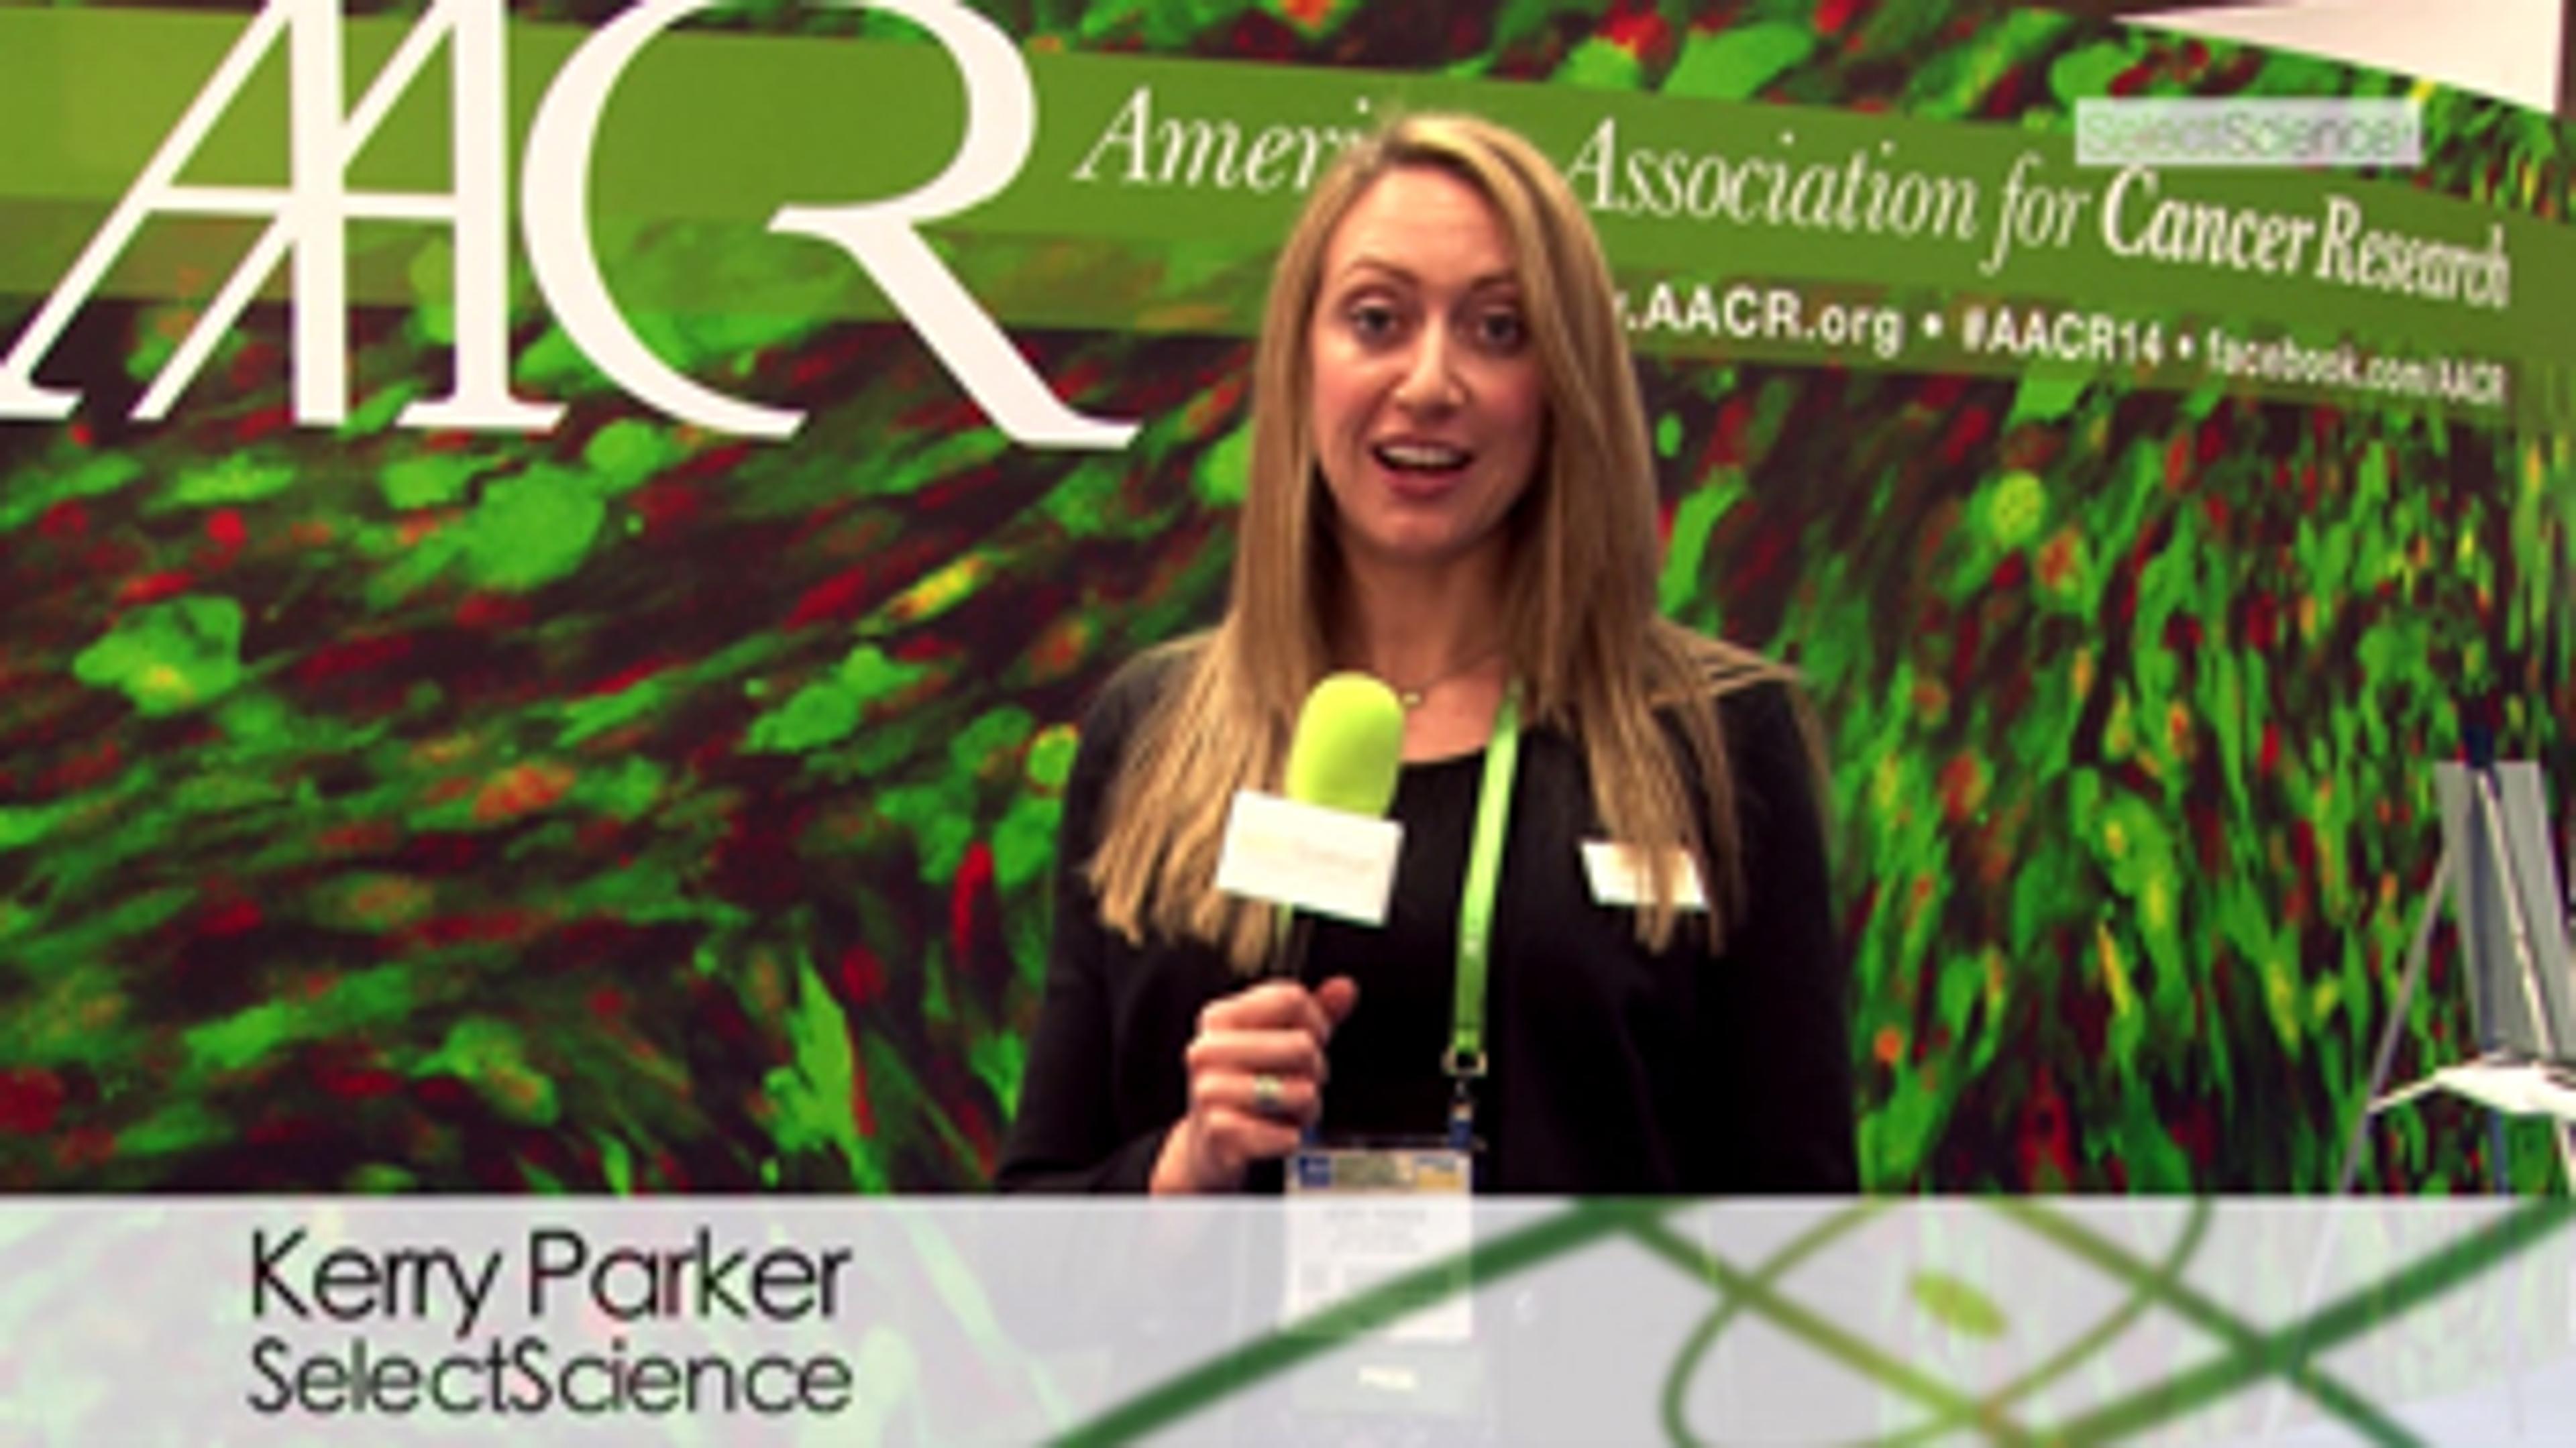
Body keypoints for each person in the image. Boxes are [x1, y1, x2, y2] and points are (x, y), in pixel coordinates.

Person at [996, 113, 1854, 1194]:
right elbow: (1040, 1230)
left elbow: (1802, 1236)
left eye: (1499, 329)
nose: (1431, 381)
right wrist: (1184, 1163)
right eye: (1377, 320)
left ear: (1565, 382)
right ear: (1303, 360)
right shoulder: (1154, 728)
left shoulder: (1720, 739)